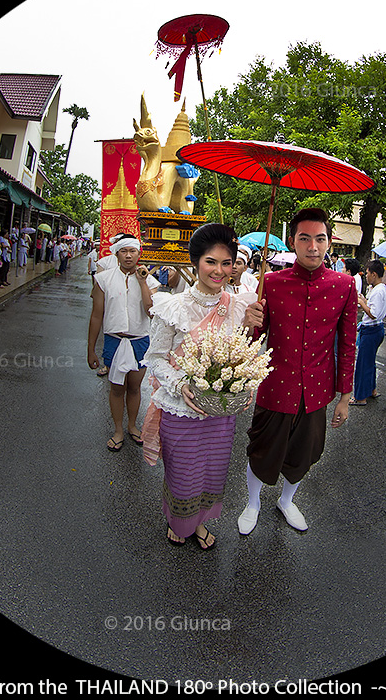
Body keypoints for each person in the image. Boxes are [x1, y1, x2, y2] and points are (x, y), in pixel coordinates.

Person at [238, 208, 357, 534]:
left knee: (305, 455)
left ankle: (287, 501)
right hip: (275, 386)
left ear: (330, 242)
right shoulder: (271, 284)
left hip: (317, 391)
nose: (313, 247)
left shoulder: (344, 286)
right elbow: (252, 342)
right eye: (305, 239)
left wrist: (345, 396)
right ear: (293, 241)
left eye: (320, 239)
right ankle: (253, 503)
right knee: (262, 451)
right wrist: (249, 323)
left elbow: (347, 344)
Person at [142, 224, 258, 549]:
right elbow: (156, 358)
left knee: (212, 471)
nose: (219, 270)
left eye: (226, 263)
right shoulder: (172, 307)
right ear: (195, 262)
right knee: (183, 472)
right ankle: (180, 522)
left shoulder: (238, 306)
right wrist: (180, 385)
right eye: (211, 261)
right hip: (182, 408)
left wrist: (245, 370)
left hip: (220, 412)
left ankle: (200, 521)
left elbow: (238, 355)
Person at [87, 234, 160, 451]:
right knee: (117, 388)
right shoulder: (104, 279)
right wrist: (90, 349)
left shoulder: (150, 281)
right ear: (116, 254)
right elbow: (96, 315)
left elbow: (151, 312)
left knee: (135, 387)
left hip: (140, 340)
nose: (128, 256)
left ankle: (132, 425)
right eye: (123, 251)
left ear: (139, 254)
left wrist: (142, 281)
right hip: (114, 340)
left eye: (133, 251)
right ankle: (118, 429)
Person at [352, 259, 386, 405]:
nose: (366, 276)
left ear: (374, 274)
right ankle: (372, 390)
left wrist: (361, 303)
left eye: (367, 273)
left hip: (372, 329)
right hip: (376, 329)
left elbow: (373, 313)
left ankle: (360, 397)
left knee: (363, 365)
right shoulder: (381, 289)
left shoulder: (379, 290)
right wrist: (365, 301)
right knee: (370, 363)